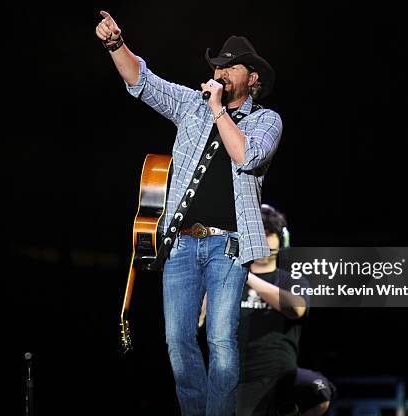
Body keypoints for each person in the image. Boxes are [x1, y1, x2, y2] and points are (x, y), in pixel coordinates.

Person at [95, 11, 282, 416]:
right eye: (219, 66)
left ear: (253, 78)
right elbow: (143, 82)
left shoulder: (266, 120)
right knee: (177, 341)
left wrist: (218, 110)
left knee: (220, 341)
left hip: (228, 247)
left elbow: (247, 156)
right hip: (181, 244)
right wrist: (115, 46)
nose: (222, 72)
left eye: (232, 67)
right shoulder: (191, 106)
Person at [235, 204, 336, 416]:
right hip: (238, 380)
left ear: (281, 240)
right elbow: (198, 321)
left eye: (268, 234)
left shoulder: (291, 280)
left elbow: (296, 308)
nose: (262, 241)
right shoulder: (228, 282)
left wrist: (247, 277)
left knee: (317, 389)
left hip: (282, 378)